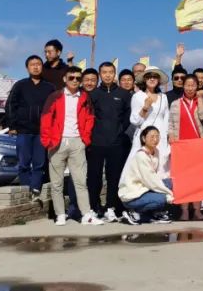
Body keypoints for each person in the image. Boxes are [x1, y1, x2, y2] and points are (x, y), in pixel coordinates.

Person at [40, 66, 102, 226]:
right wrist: (47, 141)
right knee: (57, 183)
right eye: (71, 77)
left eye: (78, 78)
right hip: (57, 142)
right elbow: (46, 118)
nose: (75, 80)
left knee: (80, 181)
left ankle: (86, 215)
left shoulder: (85, 97)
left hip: (77, 142)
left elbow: (90, 118)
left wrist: (85, 139)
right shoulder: (55, 96)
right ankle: (60, 214)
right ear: (65, 79)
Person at [87, 61, 133, 223]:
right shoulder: (93, 94)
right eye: (104, 72)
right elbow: (88, 116)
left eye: (110, 72)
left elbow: (127, 117)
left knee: (114, 177)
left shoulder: (124, 94)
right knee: (94, 177)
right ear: (100, 74)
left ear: (115, 74)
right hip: (96, 143)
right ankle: (94, 207)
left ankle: (110, 208)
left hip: (116, 143)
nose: (107, 75)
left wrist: (120, 132)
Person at [6, 55, 56, 201]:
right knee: (24, 163)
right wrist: (12, 125)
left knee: (40, 163)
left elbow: (55, 109)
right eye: (32, 64)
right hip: (23, 130)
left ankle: (35, 189)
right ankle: (25, 190)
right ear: (27, 68)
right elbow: (10, 105)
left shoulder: (49, 87)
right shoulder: (20, 85)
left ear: (42, 67)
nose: (35, 67)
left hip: (42, 131)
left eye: (38, 64)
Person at [168, 75, 203, 221]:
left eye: (193, 85)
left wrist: (200, 100)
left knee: (198, 179)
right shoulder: (175, 103)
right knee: (182, 179)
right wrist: (171, 135)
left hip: (198, 145)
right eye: (187, 85)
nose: (190, 88)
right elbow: (171, 123)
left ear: (197, 87)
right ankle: (184, 210)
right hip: (181, 146)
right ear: (183, 86)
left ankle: (197, 210)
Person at [118, 126, 174, 225]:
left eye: (157, 136)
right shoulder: (141, 156)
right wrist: (169, 194)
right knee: (162, 199)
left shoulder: (156, 152)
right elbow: (151, 180)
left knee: (169, 183)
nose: (155, 139)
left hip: (144, 188)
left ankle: (153, 213)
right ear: (144, 139)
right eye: (152, 137)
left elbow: (156, 177)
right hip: (133, 194)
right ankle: (135, 212)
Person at [128, 67, 171, 184]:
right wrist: (145, 107)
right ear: (144, 79)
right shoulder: (138, 96)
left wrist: (167, 135)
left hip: (160, 136)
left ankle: (161, 192)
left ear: (158, 80)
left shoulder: (163, 97)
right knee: (142, 165)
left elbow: (166, 118)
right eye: (149, 76)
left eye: (155, 77)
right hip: (144, 134)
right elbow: (134, 120)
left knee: (161, 166)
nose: (152, 79)